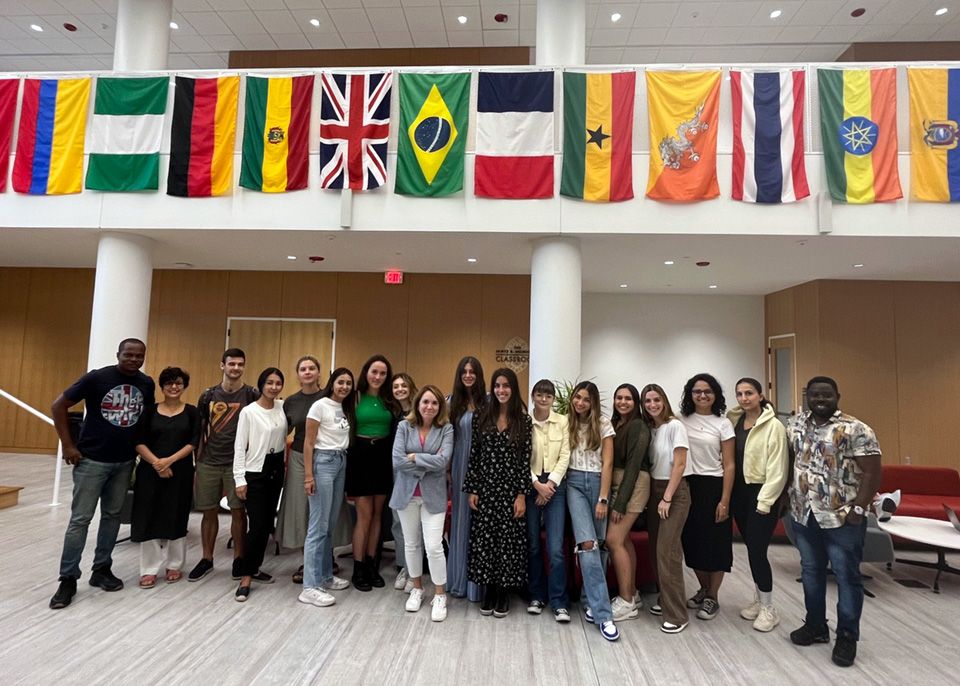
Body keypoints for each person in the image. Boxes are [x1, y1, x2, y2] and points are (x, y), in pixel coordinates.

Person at [49, 339, 156, 609]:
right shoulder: (97, 378)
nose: (133, 359)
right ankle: (68, 578)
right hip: (92, 460)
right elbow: (58, 406)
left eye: (139, 355)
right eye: (128, 354)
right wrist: (69, 445)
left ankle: (101, 570)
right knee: (80, 520)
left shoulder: (146, 383)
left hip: (124, 462)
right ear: (118, 354)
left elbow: (146, 419)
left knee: (111, 517)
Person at [787, 376, 881, 668]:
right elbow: (789, 462)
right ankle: (816, 626)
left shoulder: (856, 429)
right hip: (804, 513)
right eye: (815, 395)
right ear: (807, 397)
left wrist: (859, 509)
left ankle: (847, 636)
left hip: (841, 515)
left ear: (837, 396)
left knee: (846, 576)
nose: (820, 400)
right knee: (812, 571)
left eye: (827, 395)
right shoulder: (795, 424)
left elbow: (872, 473)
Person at [464, 368, 531, 620]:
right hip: (486, 489)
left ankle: (504, 592)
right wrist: (472, 487)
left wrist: (521, 495)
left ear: (513, 389)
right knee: (486, 541)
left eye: (506, 386)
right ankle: (489, 591)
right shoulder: (482, 415)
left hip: (510, 491)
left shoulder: (523, 420)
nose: (502, 390)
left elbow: (525, 461)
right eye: (498, 386)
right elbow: (475, 454)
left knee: (508, 543)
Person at [189, 348, 258, 582]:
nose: (235, 368)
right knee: (208, 512)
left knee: (238, 512)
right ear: (222, 366)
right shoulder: (208, 395)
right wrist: (197, 461)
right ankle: (207, 559)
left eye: (240, 364)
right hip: (208, 461)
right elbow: (199, 429)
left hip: (237, 464)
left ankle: (239, 559)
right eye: (231, 364)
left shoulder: (251, 394)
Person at [726, 377, 789, 632]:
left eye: (749, 393)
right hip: (739, 494)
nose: (744, 398)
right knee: (751, 548)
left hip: (761, 495)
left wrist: (766, 502)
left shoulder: (773, 426)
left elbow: (778, 469)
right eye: (739, 394)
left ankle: (769, 608)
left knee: (757, 551)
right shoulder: (735, 421)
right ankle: (759, 597)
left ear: (760, 395)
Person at [390, 385, 455, 621]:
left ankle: (440, 594)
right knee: (411, 544)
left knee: (434, 546)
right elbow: (397, 461)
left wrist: (415, 456)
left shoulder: (446, 429)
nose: (429, 406)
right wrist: (429, 460)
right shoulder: (404, 426)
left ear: (440, 407)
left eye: (434, 403)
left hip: (433, 496)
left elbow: (443, 461)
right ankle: (417, 588)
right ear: (418, 404)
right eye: (425, 402)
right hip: (406, 495)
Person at [132, 367, 200, 588]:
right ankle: (149, 569)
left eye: (178, 383)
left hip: (180, 471)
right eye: (169, 383)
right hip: (149, 471)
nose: (174, 387)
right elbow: (138, 442)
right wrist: (157, 463)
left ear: (184, 386)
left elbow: (193, 443)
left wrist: (168, 461)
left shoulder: (192, 412)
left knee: (177, 515)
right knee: (148, 515)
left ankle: (174, 564)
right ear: (161, 386)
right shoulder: (149, 411)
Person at [566, 381, 620, 642]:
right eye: (578, 397)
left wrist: (603, 498)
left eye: (586, 399)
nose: (580, 403)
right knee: (587, 544)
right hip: (574, 483)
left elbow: (608, 463)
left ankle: (589, 601)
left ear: (593, 402)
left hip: (599, 482)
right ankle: (603, 614)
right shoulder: (566, 423)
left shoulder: (604, 423)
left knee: (600, 545)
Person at [678, 373, 735, 621]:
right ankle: (702, 588)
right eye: (696, 391)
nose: (702, 395)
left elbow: (730, 465)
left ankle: (713, 596)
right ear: (690, 395)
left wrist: (724, 500)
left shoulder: (723, 424)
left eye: (707, 391)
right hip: (687, 484)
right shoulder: (681, 421)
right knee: (692, 542)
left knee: (716, 545)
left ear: (715, 395)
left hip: (714, 486)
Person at [299, 367, 356, 608]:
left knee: (329, 525)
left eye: (348, 383)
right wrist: (308, 476)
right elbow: (309, 443)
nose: (344, 386)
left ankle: (325, 576)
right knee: (318, 527)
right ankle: (309, 587)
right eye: (340, 382)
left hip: (340, 461)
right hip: (322, 462)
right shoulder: (319, 405)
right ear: (332, 383)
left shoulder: (346, 408)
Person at [233, 367, 287, 601]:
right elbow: (239, 446)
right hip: (255, 470)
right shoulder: (249, 411)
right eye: (269, 383)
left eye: (278, 383)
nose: (274, 387)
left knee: (266, 524)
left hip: (276, 467)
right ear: (261, 385)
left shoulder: (282, 407)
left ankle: (255, 568)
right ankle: (245, 576)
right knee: (256, 525)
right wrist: (239, 478)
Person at [642, 383, 692, 634]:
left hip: (674, 492)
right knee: (656, 550)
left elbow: (680, 464)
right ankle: (665, 599)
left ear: (664, 400)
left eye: (656, 400)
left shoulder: (675, 426)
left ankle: (677, 614)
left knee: (668, 552)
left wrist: (668, 497)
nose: (652, 405)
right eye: (648, 401)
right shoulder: (651, 429)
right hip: (653, 490)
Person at [347, 354, 399, 591]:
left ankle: (371, 564)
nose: (378, 377)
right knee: (364, 515)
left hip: (382, 457)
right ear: (366, 372)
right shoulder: (355, 397)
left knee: (379, 514)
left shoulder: (390, 401)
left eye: (383, 373)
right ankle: (358, 568)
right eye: (374, 372)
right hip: (360, 456)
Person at [525, 379, 571, 623]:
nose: (544, 399)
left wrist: (550, 485)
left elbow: (566, 454)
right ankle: (536, 596)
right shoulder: (524, 422)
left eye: (548, 395)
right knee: (532, 543)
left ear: (553, 399)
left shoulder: (562, 421)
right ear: (533, 396)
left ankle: (559, 601)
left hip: (555, 487)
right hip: (531, 486)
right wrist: (537, 485)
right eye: (540, 394)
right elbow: (521, 455)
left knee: (555, 548)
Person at [606, 383, 651, 621]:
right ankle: (632, 592)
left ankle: (626, 602)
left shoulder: (638, 426)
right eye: (619, 398)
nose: (623, 402)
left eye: (628, 399)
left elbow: (633, 466)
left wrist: (621, 503)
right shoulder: (617, 424)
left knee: (613, 540)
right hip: (618, 484)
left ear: (636, 403)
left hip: (633, 485)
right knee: (623, 539)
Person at [277, 355, 323, 584]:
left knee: (324, 508)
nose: (307, 372)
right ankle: (307, 560)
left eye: (311, 368)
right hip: (297, 458)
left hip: (324, 456)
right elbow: (283, 431)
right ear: (298, 374)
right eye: (303, 368)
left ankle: (325, 558)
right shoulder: (291, 401)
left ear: (318, 372)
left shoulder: (328, 397)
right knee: (302, 508)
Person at [446, 356, 486, 601]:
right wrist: (448, 469)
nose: (468, 375)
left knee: (480, 524)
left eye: (472, 371)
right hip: (460, 465)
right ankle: (459, 580)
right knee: (461, 522)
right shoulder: (452, 403)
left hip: (484, 465)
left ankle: (479, 585)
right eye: (464, 372)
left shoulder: (489, 401)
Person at [389, 372, 418, 592]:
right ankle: (403, 567)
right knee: (398, 522)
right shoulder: (393, 412)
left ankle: (413, 572)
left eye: (403, 385)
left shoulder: (420, 410)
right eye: (395, 386)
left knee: (415, 524)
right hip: (395, 471)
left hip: (416, 471)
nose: (399, 389)